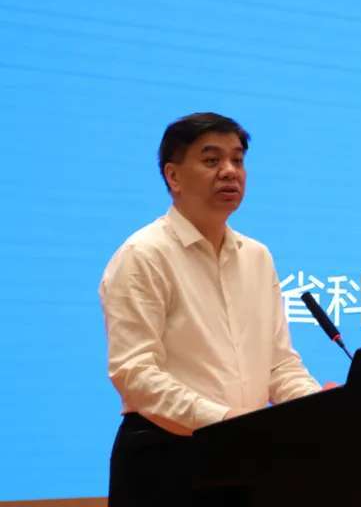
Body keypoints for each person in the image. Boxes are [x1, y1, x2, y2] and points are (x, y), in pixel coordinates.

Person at [100, 113, 325, 506]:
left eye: (237, 160)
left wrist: (319, 410)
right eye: (211, 160)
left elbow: (278, 365)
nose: (229, 171)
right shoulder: (143, 255)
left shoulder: (257, 257)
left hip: (245, 457)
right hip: (165, 460)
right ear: (173, 176)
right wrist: (223, 422)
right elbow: (134, 372)